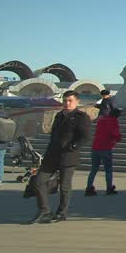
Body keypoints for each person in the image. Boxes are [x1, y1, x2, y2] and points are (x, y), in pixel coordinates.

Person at [29, 91, 91, 224]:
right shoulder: (59, 115)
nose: (67, 103)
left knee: (64, 186)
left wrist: (72, 146)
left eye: (70, 101)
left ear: (77, 102)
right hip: (52, 155)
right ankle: (44, 210)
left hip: (68, 157)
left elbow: (84, 136)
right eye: (65, 100)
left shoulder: (81, 117)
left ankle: (61, 213)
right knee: (38, 181)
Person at [85, 108, 122, 197]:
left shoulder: (101, 120)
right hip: (106, 147)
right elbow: (115, 134)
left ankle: (89, 188)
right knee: (108, 169)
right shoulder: (113, 122)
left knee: (93, 169)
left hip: (96, 146)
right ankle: (109, 188)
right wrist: (118, 138)